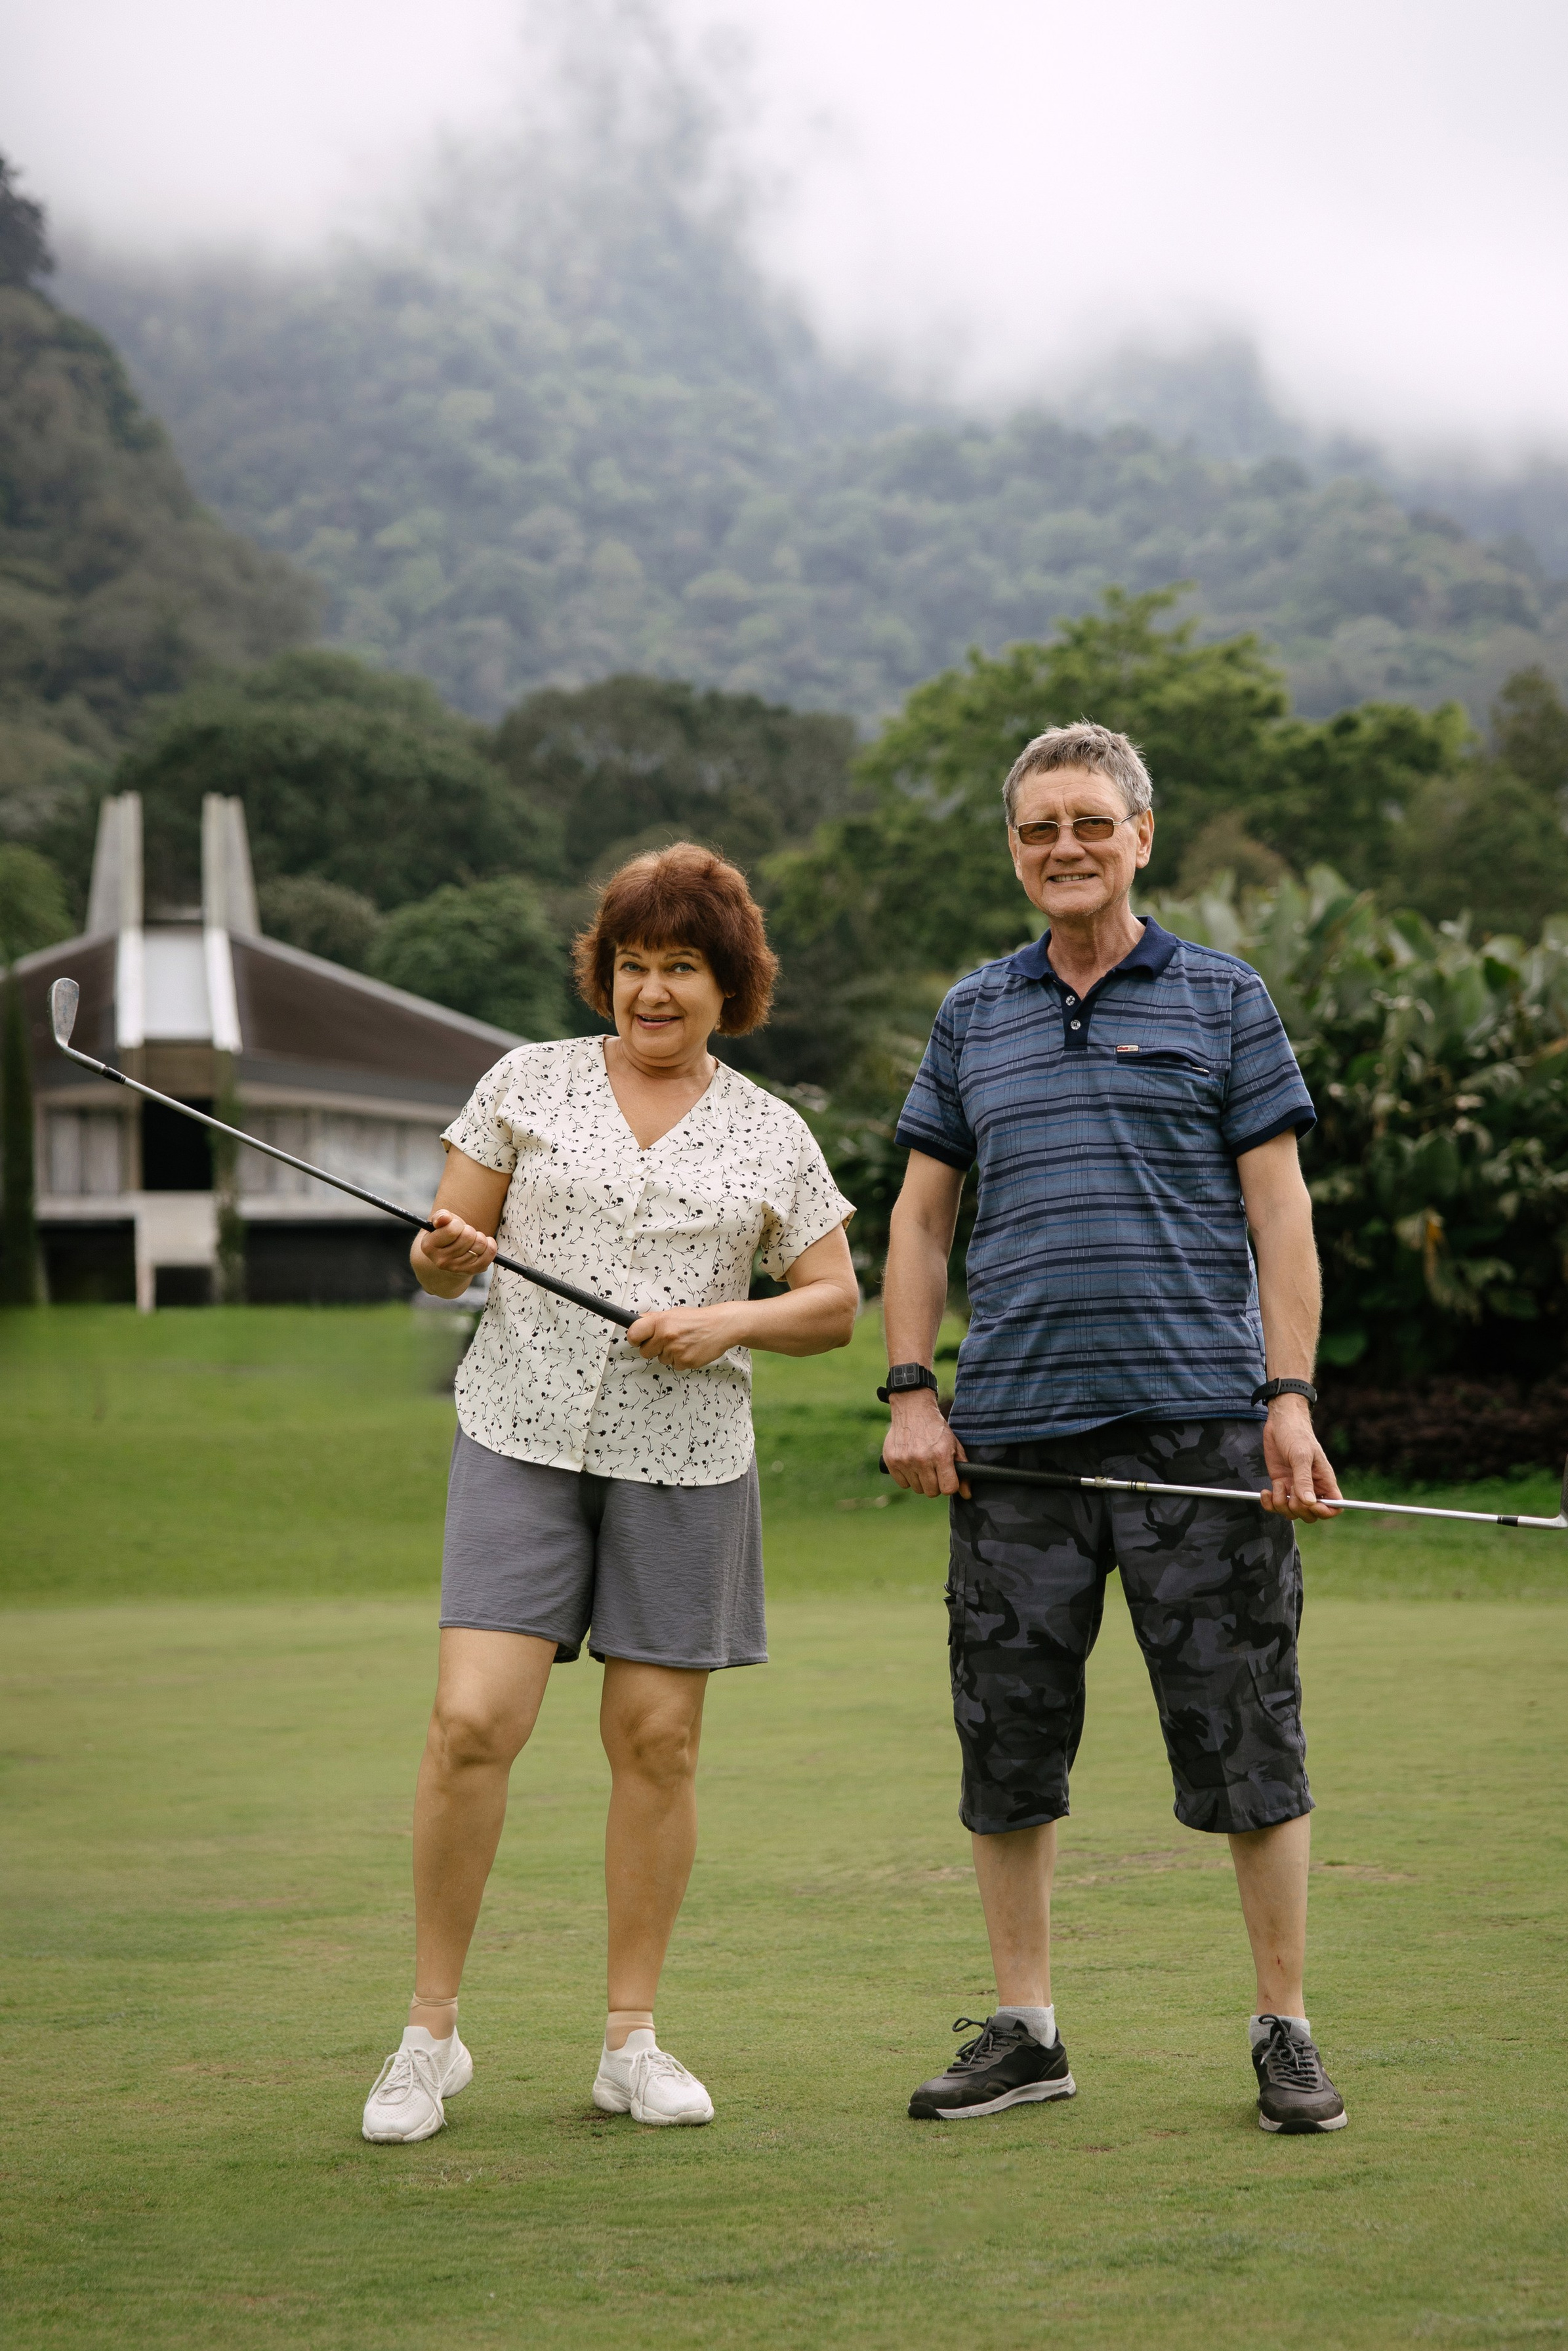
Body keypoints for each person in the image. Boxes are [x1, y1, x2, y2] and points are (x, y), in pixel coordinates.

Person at [881, 721, 1349, 2134]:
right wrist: (910, 1386)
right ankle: (1025, 2031)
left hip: (1199, 1435)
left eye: (1089, 821)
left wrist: (1287, 1399)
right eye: (1039, 828)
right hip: (1011, 1444)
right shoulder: (975, 1012)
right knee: (1005, 1743)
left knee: (1245, 1739)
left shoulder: (1220, 997)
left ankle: (1282, 2028)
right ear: (1015, 849)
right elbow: (915, 1217)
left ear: (1141, 835)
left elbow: (1279, 1211)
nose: (1064, 847)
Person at [362, 843, 857, 2142]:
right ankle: (429, 2033)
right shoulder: (521, 1084)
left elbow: (832, 1305)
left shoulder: (770, 1130)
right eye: (631, 965)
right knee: (471, 1719)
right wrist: (436, 1252)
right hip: (519, 1435)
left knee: (656, 1745)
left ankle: (629, 2041)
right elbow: (442, 1259)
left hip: (683, 1466)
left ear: (727, 983)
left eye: (679, 968)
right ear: (605, 972)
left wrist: (724, 1323)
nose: (650, 991)